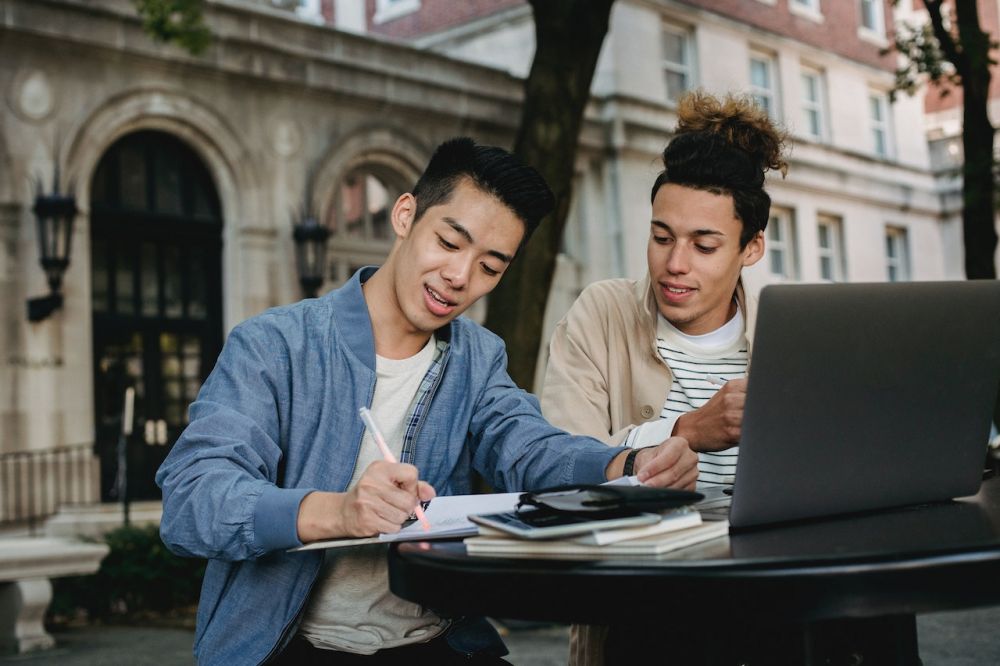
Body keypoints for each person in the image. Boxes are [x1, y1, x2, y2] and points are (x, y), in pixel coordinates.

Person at [156, 137, 698, 666]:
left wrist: (627, 463)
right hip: (293, 646)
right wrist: (338, 512)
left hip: (437, 641)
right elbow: (191, 500)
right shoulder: (276, 345)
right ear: (405, 214)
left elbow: (530, 447)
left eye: (489, 267)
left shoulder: (477, 357)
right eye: (449, 241)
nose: (459, 277)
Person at [540, 91, 788, 665]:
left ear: (751, 248)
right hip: (641, 612)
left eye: (704, 245)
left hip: (771, 598)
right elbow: (555, 465)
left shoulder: (787, 337)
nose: (675, 263)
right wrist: (686, 430)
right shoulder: (602, 314)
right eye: (661, 237)